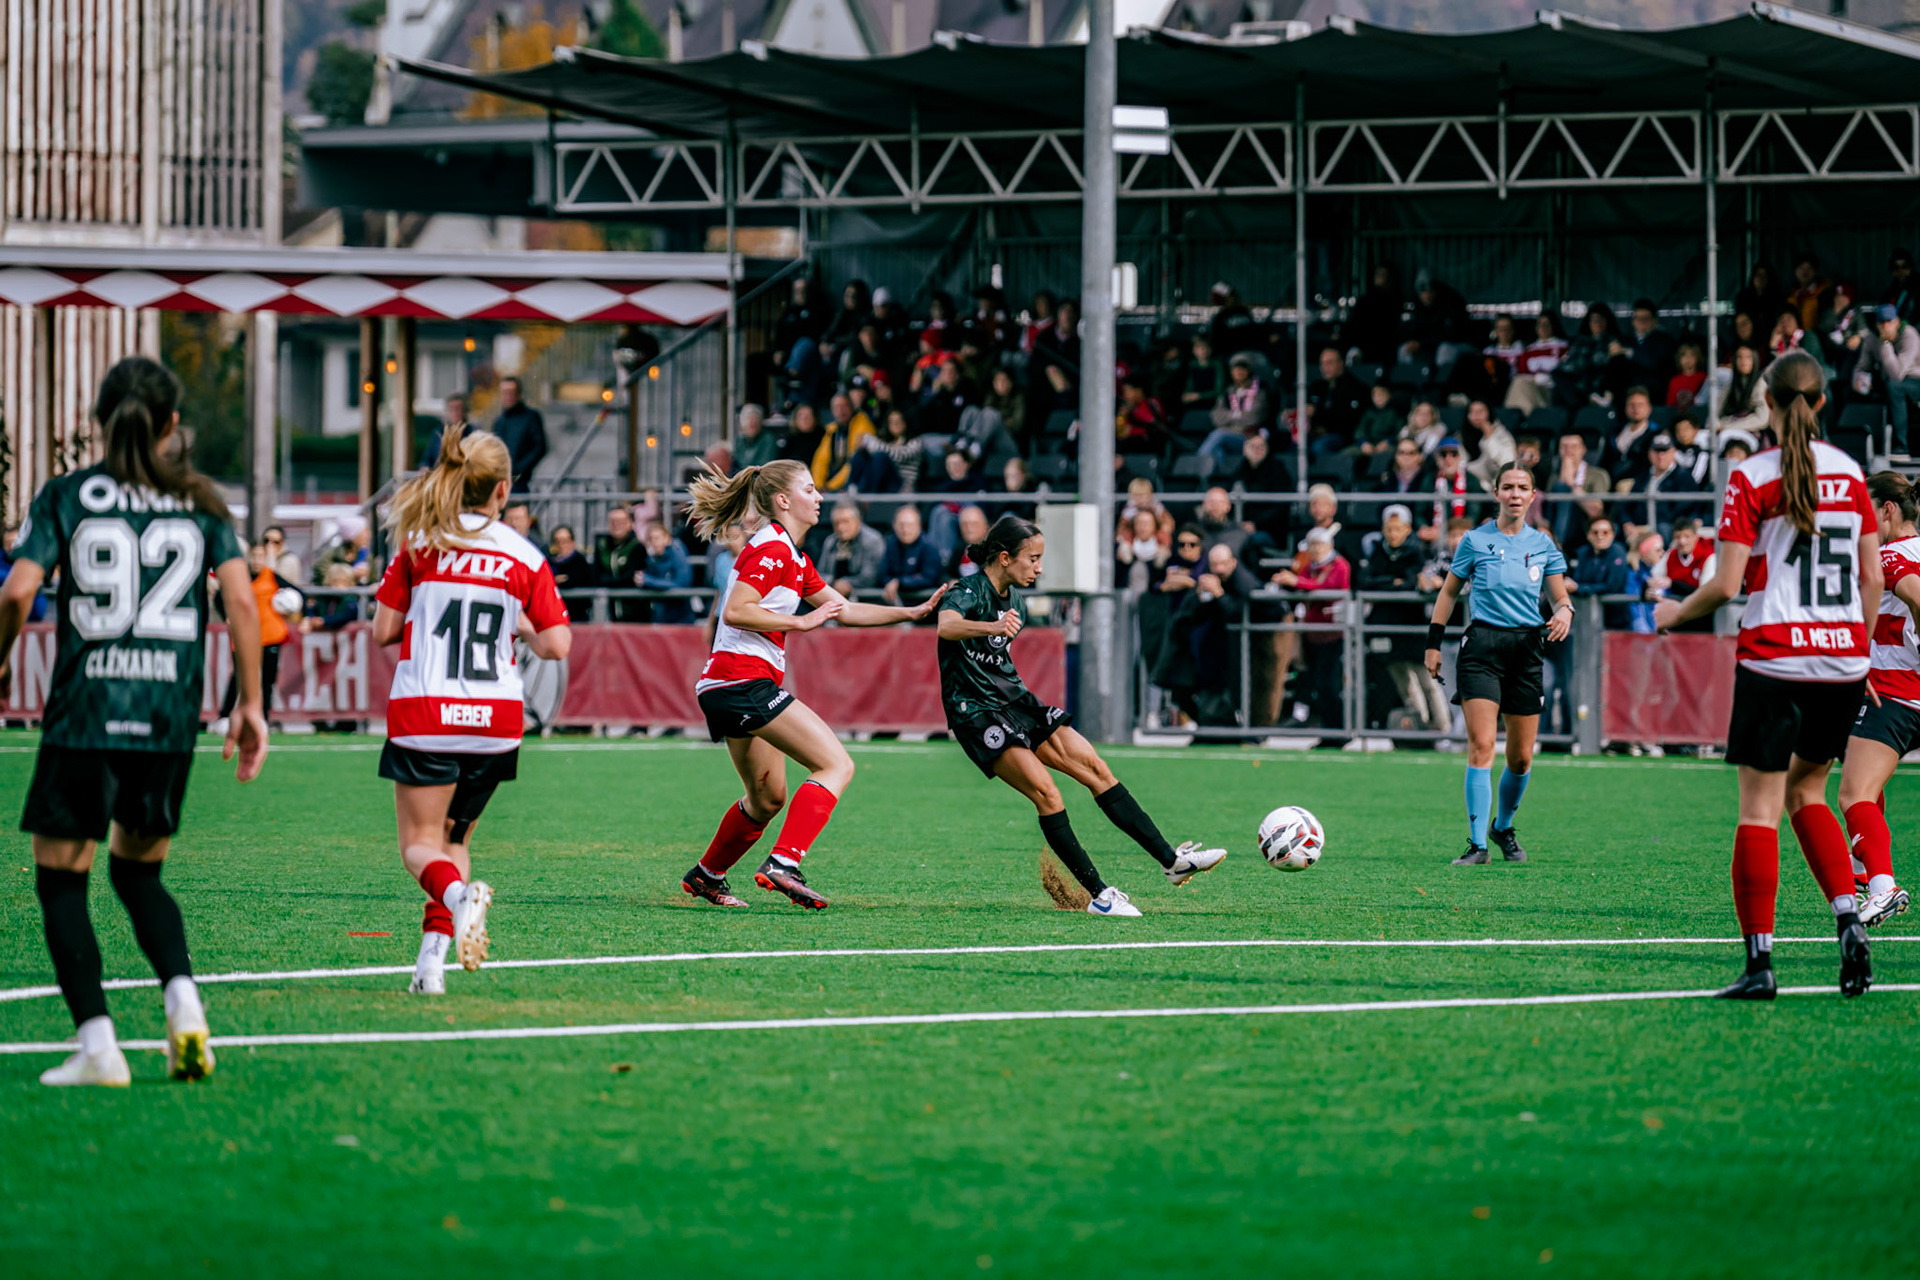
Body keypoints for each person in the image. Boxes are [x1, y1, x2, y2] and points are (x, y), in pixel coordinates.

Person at [0, 356, 266, 1088]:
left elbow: (18, 591)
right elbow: (242, 605)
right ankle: (184, 1007)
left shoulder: (66, 495)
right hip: (166, 720)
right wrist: (250, 704)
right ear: (172, 425)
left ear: (97, 419)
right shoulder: (202, 501)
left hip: (86, 715)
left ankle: (98, 1046)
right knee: (139, 874)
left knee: (61, 881)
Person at [1651, 350, 1882, 1001]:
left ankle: (1760, 963)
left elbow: (1725, 584)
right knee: (1809, 794)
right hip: (1841, 661)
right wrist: (1858, 652)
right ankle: (1847, 921)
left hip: (1775, 657)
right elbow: (1869, 579)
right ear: (1822, 402)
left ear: (1771, 406)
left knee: (1760, 809)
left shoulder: (1751, 474)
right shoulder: (1852, 473)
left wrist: (1674, 612)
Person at [680, 461, 944, 911]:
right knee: (836, 765)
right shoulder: (773, 550)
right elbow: (738, 610)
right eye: (810, 488)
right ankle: (784, 863)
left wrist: (912, 612)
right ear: (784, 501)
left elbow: (842, 608)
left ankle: (707, 875)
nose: (819, 497)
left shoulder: (792, 555)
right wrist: (799, 621)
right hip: (742, 681)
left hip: (727, 685)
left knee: (767, 799)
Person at [938, 514, 1226, 917]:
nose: (1039, 567)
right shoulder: (968, 591)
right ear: (1004, 558)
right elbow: (946, 627)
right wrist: (991, 625)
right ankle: (1100, 896)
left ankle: (1172, 862)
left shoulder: (1015, 599)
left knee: (1095, 767)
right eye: (1033, 558)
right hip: (975, 712)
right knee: (1047, 792)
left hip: (1016, 700)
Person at [372, 426, 572, 996]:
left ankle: (460, 898)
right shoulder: (522, 553)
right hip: (495, 720)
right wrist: (518, 622)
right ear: (503, 491)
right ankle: (428, 969)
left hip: (428, 711)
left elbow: (384, 629)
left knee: (419, 847)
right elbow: (557, 645)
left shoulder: (420, 542)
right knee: (454, 843)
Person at [1425, 463, 1574, 866]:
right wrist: (1434, 644)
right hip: (1482, 647)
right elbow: (1449, 593)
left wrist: (1565, 612)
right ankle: (1477, 846)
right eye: (1507, 487)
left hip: (1527, 649)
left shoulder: (1542, 544)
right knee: (1482, 746)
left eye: (1522, 487)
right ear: (1496, 494)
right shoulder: (1474, 541)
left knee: (1522, 757)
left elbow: (1560, 598)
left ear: (1532, 495)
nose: (1514, 493)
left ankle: (1502, 827)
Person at [1837, 471, 1920, 928]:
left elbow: (1914, 594)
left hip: (1895, 693)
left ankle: (1884, 887)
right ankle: (1862, 874)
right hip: (1905, 694)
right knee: (1867, 783)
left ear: (1888, 510)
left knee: (1853, 793)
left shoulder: (1889, 555)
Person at [220, 539, 300, 721]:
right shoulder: (241, 577)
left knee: (266, 681)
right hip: (245, 636)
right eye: (254, 555)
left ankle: (262, 718)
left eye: (260, 556)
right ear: (248, 556)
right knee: (240, 677)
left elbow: (297, 593)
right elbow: (220, 596)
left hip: (270, 636)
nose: (257, 560)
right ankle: (224, 715)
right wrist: (228, 615)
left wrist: (290, 609)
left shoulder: (272, 576)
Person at [882, 504, 943, 608]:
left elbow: (929, 578)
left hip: (926, 607)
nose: (905, 530)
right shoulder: (890, 544)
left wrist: (899, 583)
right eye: (901, 525)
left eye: (910, 525)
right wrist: (891, 583)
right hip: (895, 604)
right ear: (894, 525)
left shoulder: (929, 547)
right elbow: (882, 575)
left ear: (919, 526)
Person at [492, 377, 547, 491]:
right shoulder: (499, 421)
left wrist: (519, 470)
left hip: (519, 484)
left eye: (511, 392)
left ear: (519, 394)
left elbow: (539, 447)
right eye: (505, 393)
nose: (508, 396)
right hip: (500, 483)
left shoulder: (531, 417)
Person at [820, 499, 886, 596]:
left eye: (845, 522)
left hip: (866, 600)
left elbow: (870, 577)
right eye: (836, 523)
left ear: (858, 521)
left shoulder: (872, 540)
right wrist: (833, 582)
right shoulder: (830, 541)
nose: (841, 527)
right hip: (834, 599)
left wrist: (845, 583)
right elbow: (819, 574)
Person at [596, 505, 647, 623]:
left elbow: (630, 580)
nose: (616, 525)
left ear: (630, 524)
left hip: (635, 613)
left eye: (621, 521)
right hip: (610, 611)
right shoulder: (602, 546)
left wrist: (607, 581)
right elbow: (596, 577)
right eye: (612, 521)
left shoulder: (637, 547)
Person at [639, 519, 694, 624]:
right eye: (651, 539)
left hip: (680, 619)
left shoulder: (677, 552)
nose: (654, 543)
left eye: (657, 538)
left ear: (667, 538)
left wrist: (648, 580)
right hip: (661, 618)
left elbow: (682, 583)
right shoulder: (652, 558)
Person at [732, 404, 781, 471]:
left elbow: (763, 467)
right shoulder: (739, 440)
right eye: (748, 419)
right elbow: (735, 466)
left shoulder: (768, 440)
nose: (752, 422)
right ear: (742, 424)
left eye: (755, 419)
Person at [548, 525, 593, 594]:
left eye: (564, 541)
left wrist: (552, 581)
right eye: (557, 541)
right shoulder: (549, 562)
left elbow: (573, 582)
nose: (560, 545)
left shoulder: (579, 562)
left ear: (572, 543)